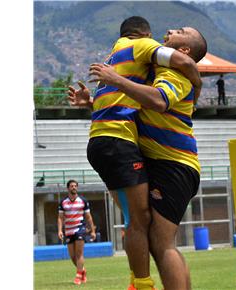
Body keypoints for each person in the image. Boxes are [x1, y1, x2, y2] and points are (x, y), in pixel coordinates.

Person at [67, 16, 201, 290]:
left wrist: (115, 79)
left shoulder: (175, 74)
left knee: (162, 244)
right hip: (157, 161)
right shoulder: (149, 72)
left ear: (184, 51)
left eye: (181, 31)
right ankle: (140, 281)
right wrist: (95, 102)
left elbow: (158, 100)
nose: (171, 29)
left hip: (175, 164)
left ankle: (139, 283)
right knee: (152, 236)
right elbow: (126, 105)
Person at [57, 180, 96, 285]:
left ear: (77, 188)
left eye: (75, 186)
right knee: (73, 257)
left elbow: (88, 217)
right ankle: (82, 270)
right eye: (71, 186)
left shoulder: (83, 201)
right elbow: (60, 218)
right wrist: (60, 230)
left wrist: (92, 230)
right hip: (68, 231)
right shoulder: (63, 202)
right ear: (68, 188)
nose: (74, 187)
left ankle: (78, 276)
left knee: (79, 254)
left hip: (80, 229)